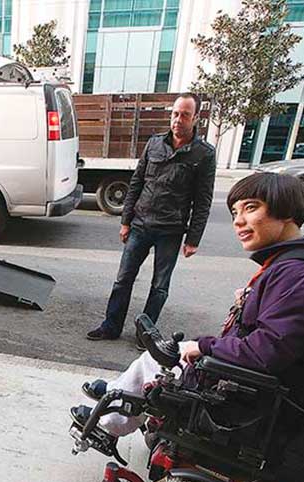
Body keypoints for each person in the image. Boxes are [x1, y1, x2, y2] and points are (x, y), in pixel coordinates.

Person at [76, 172, 304, 438]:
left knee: (160, 358)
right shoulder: (299, 263)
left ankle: (108, 423)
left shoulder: (297, 275)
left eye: (251, 208)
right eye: (235, 212)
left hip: (250, 390)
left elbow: (268, 350)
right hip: (259, 376)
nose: (239, 221)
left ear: (286, 210)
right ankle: (117, 392)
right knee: (165, 353)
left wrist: (204, 346)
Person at [86, 93, 216, 343]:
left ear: (195, 118)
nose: (178, 119)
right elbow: (136, 183)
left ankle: (144, 335)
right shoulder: (155, 144)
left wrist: (193, 239)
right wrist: (125, 221)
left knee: (159, 287)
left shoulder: (204, 154)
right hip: (140, 225)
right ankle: (110, 327)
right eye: (175, 113)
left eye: (185, 115)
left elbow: (203, 201)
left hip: (171, 230)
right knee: (123, 280)